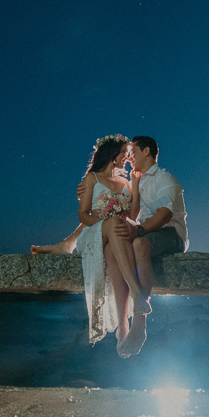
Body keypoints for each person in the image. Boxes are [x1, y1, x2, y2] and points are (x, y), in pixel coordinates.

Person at [111, 135, 187, 357]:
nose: (130, 157)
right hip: (143, 233)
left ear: (147, 151)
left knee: (139, 244)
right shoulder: (135, 181)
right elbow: (129, 213)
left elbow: (164, 215)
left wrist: (139, 230)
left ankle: (139, 325)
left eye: (133, 152)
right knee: (116, 247)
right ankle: (122, 320)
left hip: (171, 234)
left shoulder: (165, 179)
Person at [74, 134, 146, 357]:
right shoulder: (92, 179)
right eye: (124, 153)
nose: (126, 157)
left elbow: (133, 214)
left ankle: (123, 327)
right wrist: (107, 223)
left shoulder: (125, 182)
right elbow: (83, 216)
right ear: (112, 154)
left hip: (116, 238)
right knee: (115, 224)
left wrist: (134, 184)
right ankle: (137, 291)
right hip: (94, 232)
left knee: (111, 253)